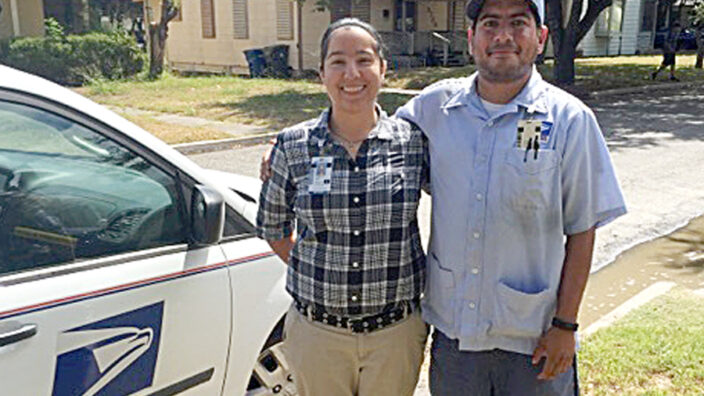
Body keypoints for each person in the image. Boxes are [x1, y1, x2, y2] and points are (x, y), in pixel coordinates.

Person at [394, 0, 626, 394]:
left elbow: (583, 230)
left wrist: (565, 326)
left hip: (534, 344)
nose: (503, 36)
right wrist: (291, 147)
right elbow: (370, 139)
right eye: (490, 24)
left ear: (541, 38)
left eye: (518, 23)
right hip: (456, 340)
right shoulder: (434, 109)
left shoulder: (569, 120)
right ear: (471, 39)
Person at [256, 18, 429, 396]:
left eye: (364, 60)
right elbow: (272, 228)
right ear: (321, 74)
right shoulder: (293, 146)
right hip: (317, 336)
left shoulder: (415, 143)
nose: (352, 74)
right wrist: (320, 269)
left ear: (383, 69)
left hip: (395, 335)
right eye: (338, 62)